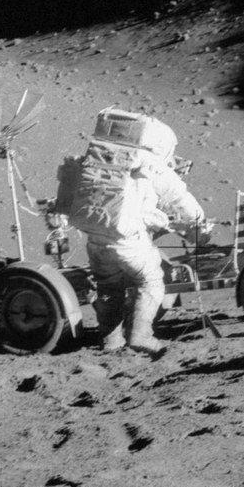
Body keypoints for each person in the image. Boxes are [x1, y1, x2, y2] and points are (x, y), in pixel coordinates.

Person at [50, 110, 205, 357]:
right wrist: (199, 227)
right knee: (151, 281)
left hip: (96, 240)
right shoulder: (150, 165)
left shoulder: (95, 159)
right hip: (129, 242)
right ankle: (141, 335)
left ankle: (111, 341)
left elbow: (66, 195)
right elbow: (182, 202)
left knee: (109, 287)